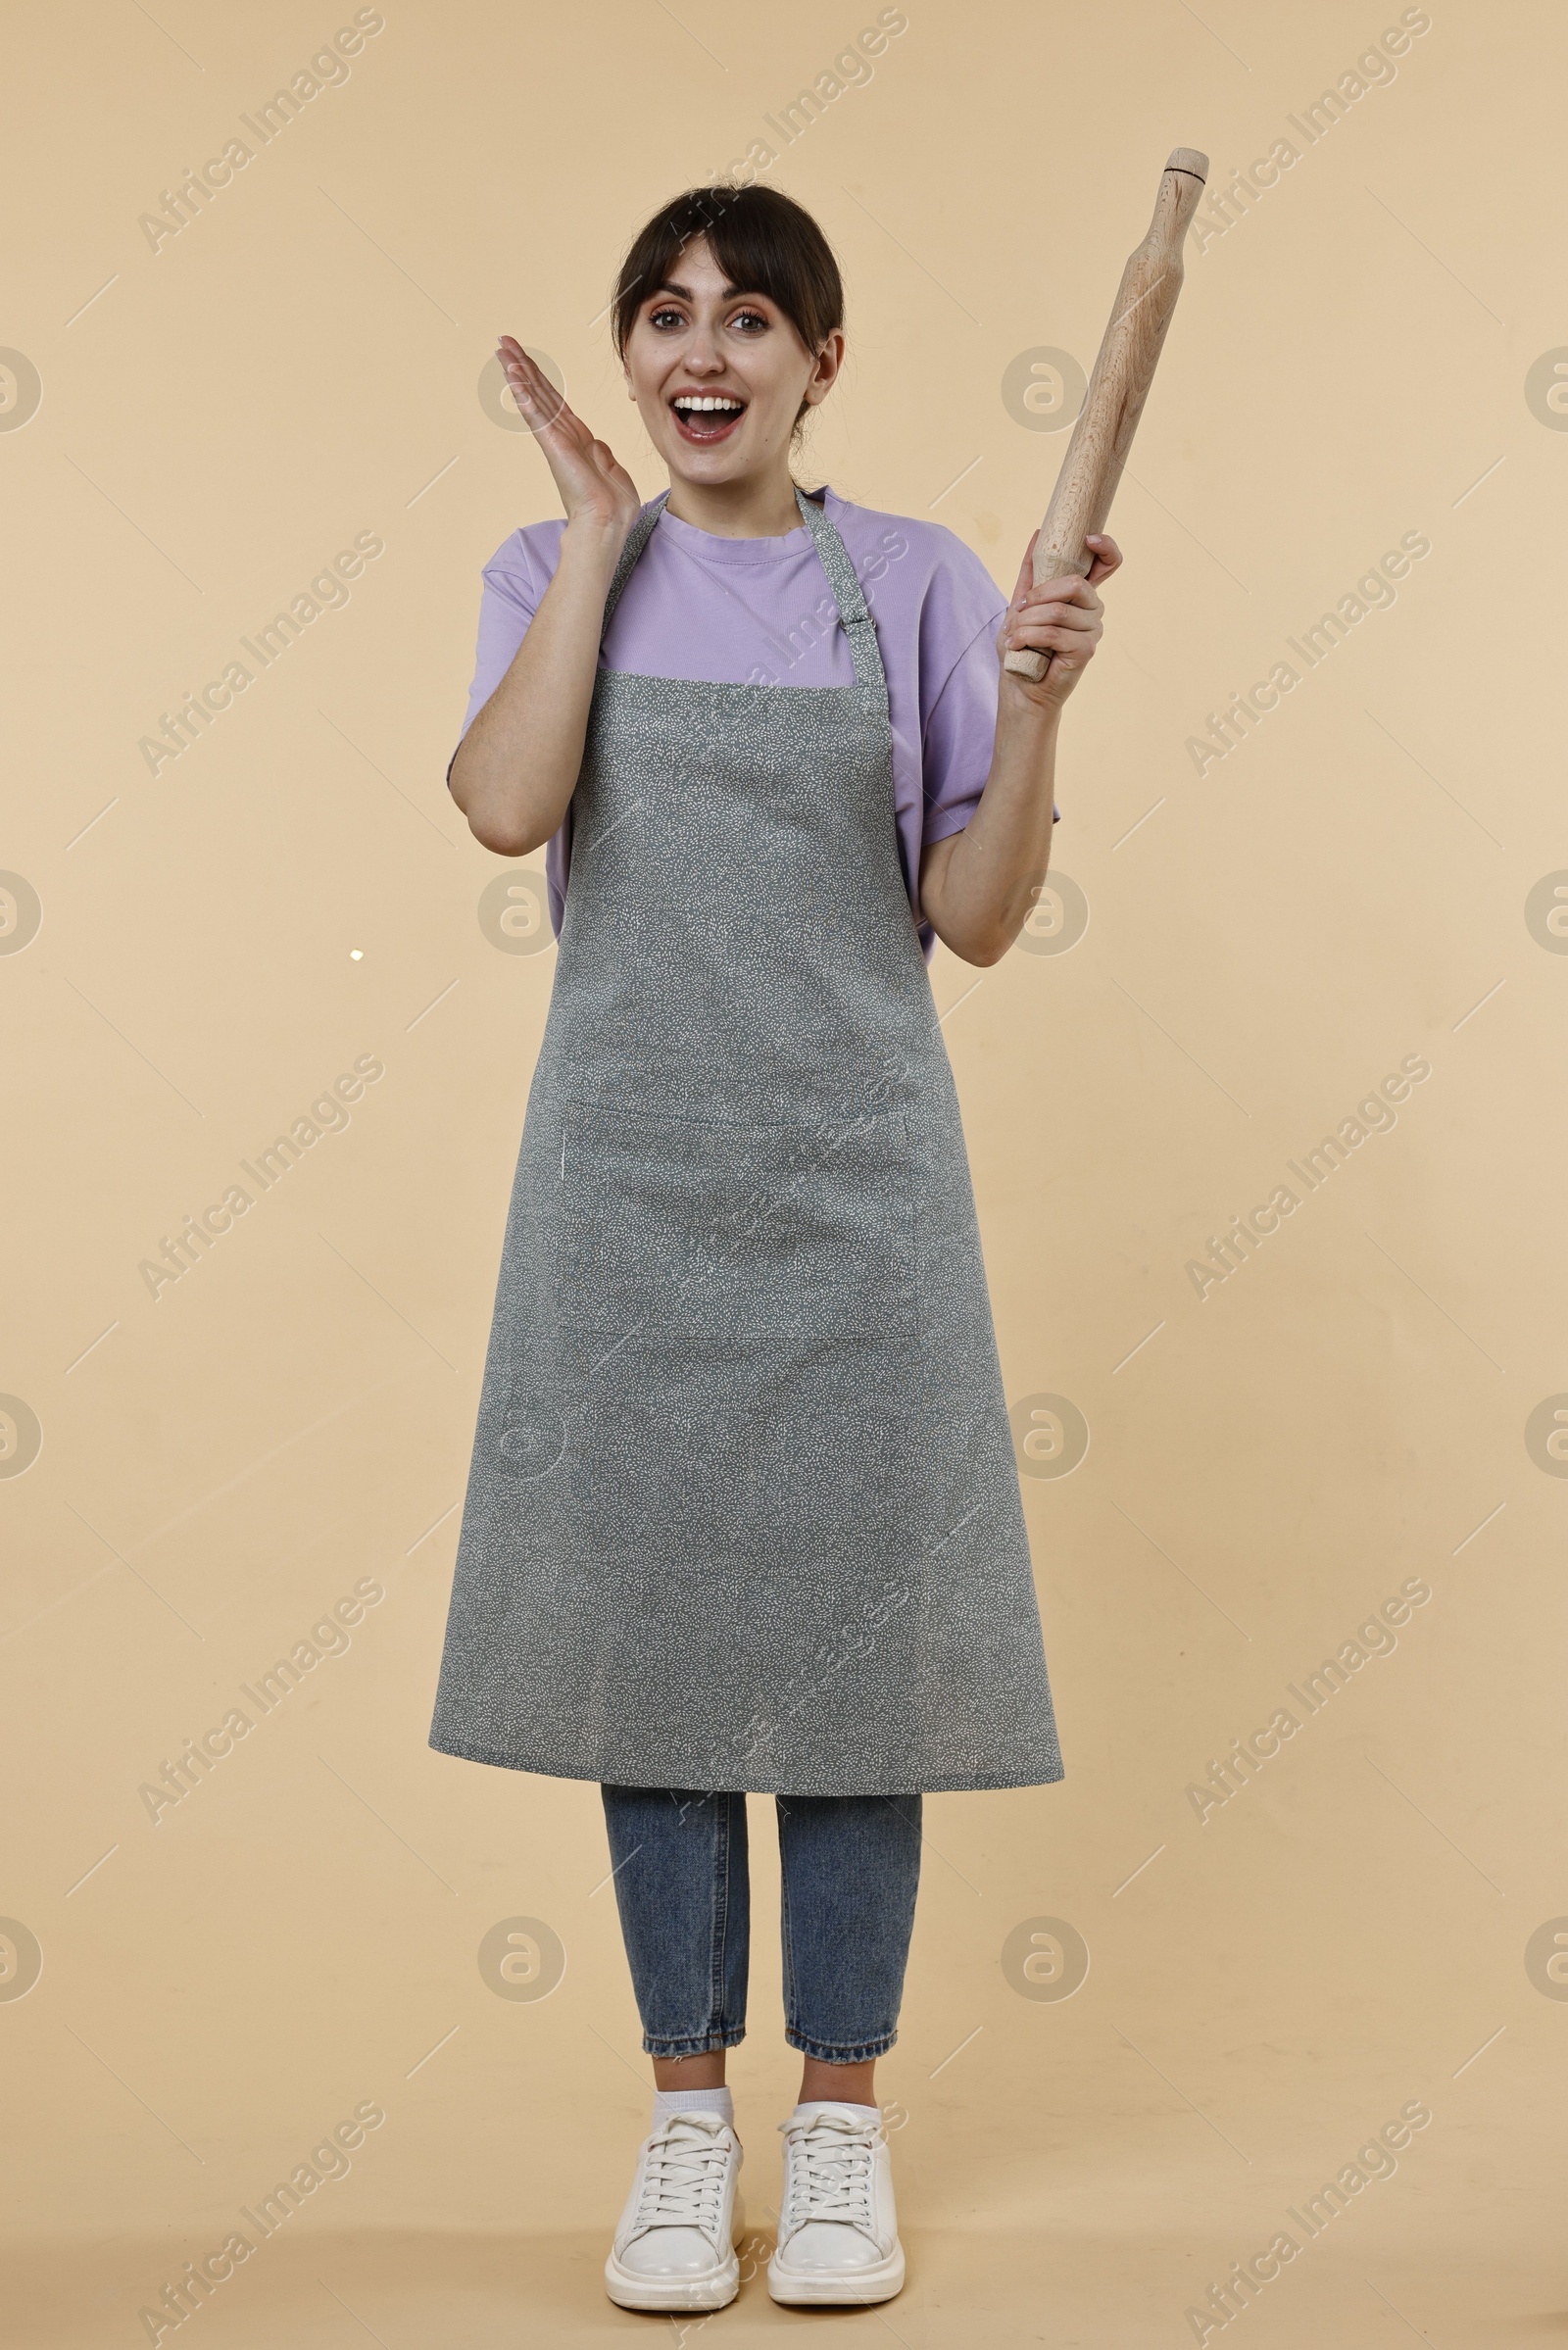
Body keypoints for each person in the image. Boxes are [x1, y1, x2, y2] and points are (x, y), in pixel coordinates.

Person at [428, 183, 1119, 2313]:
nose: (698, 350)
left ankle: (834, 2133)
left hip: (855, 1197)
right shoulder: (553, 570)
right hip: (624, 1187)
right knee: (652, 1657)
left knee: (845, 1674)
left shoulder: (906, 579)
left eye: (747, 316)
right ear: (627, 358)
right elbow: (501, 804)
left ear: (825, 358)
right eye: (660, 315)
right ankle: (677, 2121)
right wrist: (595, 524)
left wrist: (1035, 700)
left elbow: (977, 915)